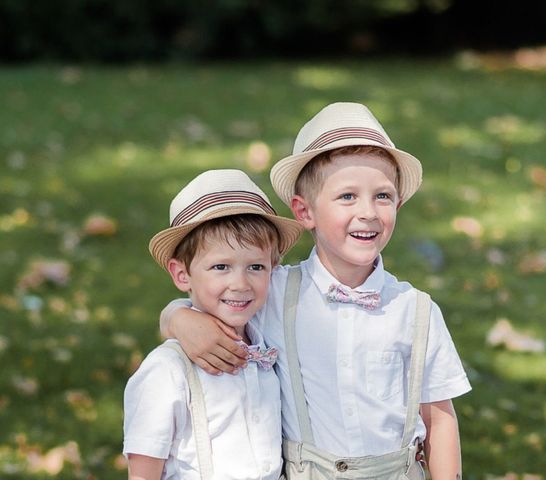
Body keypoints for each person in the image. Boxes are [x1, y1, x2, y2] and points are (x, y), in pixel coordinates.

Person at [160, 103, 472, 479]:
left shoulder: (415, 311)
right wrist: (178, 318)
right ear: (304, 212)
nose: (368, 212)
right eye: (347, 197)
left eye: (383, 196)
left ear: (399, 204)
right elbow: (212, 298)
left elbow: (439, 420)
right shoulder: (273, 292)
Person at [123, 169, 304, 480]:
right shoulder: (166, 370)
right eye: (221, 267)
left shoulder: (270, 344)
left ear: (274, 269)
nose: (240, 283)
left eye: (256, 266)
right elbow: (142, 473)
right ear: (181, 275)